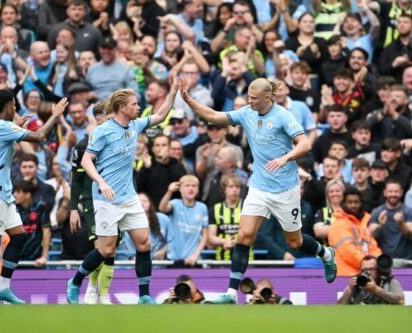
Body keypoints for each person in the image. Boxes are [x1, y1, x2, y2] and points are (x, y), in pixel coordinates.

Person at [179, 77, 337, 304]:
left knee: (295, 242)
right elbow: (214, 116)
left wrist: (285, 158)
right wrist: (189, 100)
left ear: (267, 97)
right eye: (249, 97)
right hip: (260, 187)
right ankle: (231, 294)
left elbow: (305, 144)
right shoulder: (247, 113)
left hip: (285, 189)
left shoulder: (283, 115)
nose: (249, 101)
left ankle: (326, 254)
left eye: (254, 98)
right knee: (244, 236)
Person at [67, 73, 178, 304]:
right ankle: (76, 280)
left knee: (144, 242)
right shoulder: (102, 131)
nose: (139, 107)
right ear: (121, 108)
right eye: (134, 104)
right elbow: (86, 161)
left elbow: (160, 115)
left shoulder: (136, 125)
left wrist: (174, 91)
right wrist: (102, 182)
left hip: (129, 198)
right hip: (106, 199)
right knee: (106, 250)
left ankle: (145, 295)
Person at [0, 90, 68, 304]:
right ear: (8, 107)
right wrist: (55, 115)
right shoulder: (2, 126)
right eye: (14, 105)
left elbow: (3, 149)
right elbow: (41, 136)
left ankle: (3, 288)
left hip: (2, 193)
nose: (16, 108)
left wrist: (18, 128)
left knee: (18, 237)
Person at [69, 101, 117, 305]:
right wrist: (73, 209)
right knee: (100, 245)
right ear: (98, 119)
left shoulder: (118, 142)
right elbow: (76, 180)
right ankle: (91, 288)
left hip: (117, 201)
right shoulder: (83, 146)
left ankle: (104, 294)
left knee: (111, 248)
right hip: (93, 202)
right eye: (109, 117)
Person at [328, 187, 382, 277]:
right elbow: (347, 251)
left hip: (364, 274)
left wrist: (379, 261)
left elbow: (373, 247)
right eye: (350, 202)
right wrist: (369, 264)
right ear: (344, 203)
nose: (353, 205)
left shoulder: (362, 225)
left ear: (361, 203)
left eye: (356, 202)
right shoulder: (339, 224)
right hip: (345, 276)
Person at [159, 175, 209, 266]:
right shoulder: (175, 204)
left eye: (194, 186)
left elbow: (205, 234)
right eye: (187, 186)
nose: (191, 188)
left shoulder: (202, 207)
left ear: (198, 189)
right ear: (180, 189)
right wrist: (169, 191)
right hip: (173, 258)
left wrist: (195, 255)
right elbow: (162, 208)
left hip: (193, 259)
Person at [369, 180, 412, 260]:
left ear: (401, 192)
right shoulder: (377, 212)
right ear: (385, 192)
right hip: (384, 260)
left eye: (396, 192)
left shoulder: (408, 211)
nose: (393, 194)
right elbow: (371, 237)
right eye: (390, 191)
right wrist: (380, 225)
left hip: (406, 260)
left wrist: (402, 224)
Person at [338, 255, 405, 305]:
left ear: (378, 270)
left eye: (371, 269)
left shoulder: (389, 281)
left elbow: (401, 300)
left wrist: (376, 290)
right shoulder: (357, 283)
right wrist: (350, 290)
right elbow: (339, 308)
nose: (368, 272)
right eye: (364, 270)